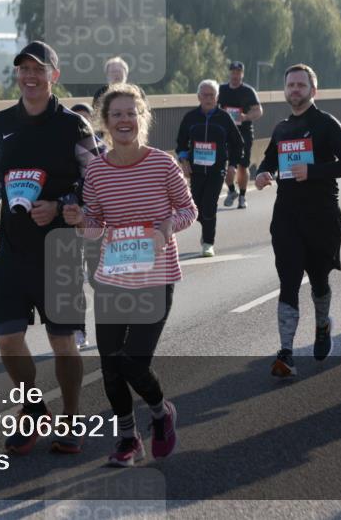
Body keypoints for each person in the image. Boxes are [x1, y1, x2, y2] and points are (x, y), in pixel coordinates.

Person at [0, 40, 103, 454]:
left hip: (60, 249)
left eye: (38, 69)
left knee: (62, 342)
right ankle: (32, 408)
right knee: (6, 337)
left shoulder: (73, 126)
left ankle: (68, 420)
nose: (30, 76)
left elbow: (98, 179)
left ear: (54, 75)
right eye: (23, 69)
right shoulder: (4, 120)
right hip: (13, 247)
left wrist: (62, 204)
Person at [64, 84, 196, 467]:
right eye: (116, 114)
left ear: (142, 118)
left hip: (156, 277)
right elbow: (94, 226)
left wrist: (168, 225)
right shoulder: (97, 171)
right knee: (110, 365)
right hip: (113, 277)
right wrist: (79, 221)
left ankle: (160, 413)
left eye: (131, 113)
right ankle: (127, 438)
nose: (124, 120)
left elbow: (190, 210)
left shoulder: (162, 163)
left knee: (133, 363)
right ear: (105, 123)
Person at [255, 64, 341, 377]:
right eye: (291, 85)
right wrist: (263, 173)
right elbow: (269, 161)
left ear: (313, 91)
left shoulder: (326, 124)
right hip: (287, 217)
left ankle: (322, 325)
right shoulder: (282, 128)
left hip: (322, 218)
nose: (295, 90)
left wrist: (312, 171)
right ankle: (286, 352)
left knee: (318, 282)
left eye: (301, 85)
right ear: (285, 90)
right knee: (288, 283)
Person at [176, 80, 244, 257]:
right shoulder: (190, 118)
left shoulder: (224, 118)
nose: (208, 98)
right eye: (204, 95)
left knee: (209, 206)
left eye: (211, 95)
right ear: (198, 97)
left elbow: (237, 144)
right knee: (196, 207)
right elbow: (181, 142)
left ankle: (208, 242)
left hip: (217, 170)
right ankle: (206, 229)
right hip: (196, 170)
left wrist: (233, 165)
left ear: (217, 97)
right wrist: (183, 160)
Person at [69, 102, 104, 350]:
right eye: (76, 121)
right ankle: (79, 330)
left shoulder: (102, 150)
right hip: (70, 222)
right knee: (73, 279)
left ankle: (108, 325)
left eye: (85, 120)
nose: (81, 125)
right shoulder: (62, 151)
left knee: (95, 278)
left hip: (94, 222)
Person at [218, 60, 262, 208]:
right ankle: (231, 191)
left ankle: (242, 197)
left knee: (243, 166)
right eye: (233, 72)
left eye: (238, 73)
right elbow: (211, 106)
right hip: (225, 133)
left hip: (243, 133)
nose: (235, 75)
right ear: (229, 73)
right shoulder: (221, 90)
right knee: (223, 165)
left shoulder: (248, 91)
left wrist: (246, 117)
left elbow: (258, 111)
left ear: (242, 74)